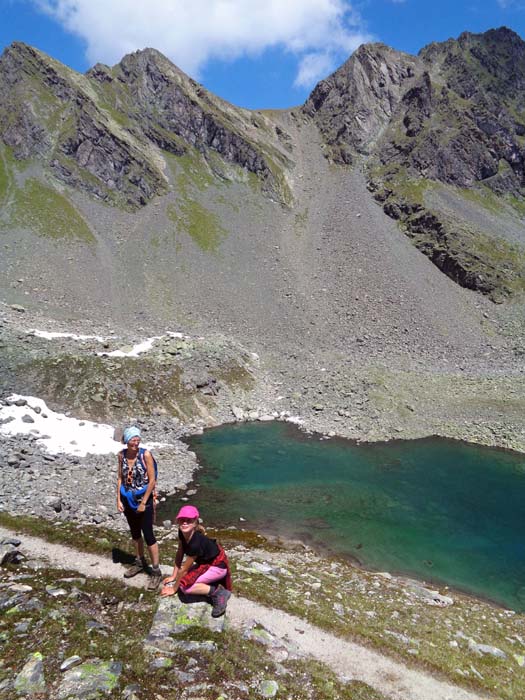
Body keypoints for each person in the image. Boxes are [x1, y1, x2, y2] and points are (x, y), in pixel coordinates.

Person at [160, 505, 232, 617]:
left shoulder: (195, 543)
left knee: (184, 587)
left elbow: (184, 570)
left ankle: (218, 592)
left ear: (195, 523)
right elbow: (180, 553)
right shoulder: (182, 533)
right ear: (178, 521)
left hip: (217, 566)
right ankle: (210, 584)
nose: (184, 523)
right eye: (182, 520)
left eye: (189, 520)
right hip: (206, 563)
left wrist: (174, 589)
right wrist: (174, 576)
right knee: (184, 579)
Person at [117, 426, 162, 590]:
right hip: (127, 498)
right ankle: (139, 561)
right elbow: (120, 478)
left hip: (144, 500)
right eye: (132, 440)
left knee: (149, 535)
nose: (136, 442)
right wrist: (118, 499)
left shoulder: (146, 455)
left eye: (138, 439)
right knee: (135, 533)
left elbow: (152, 481)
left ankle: (156, 571)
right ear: (126, 441)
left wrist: (144, 502)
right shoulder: (121, 455)